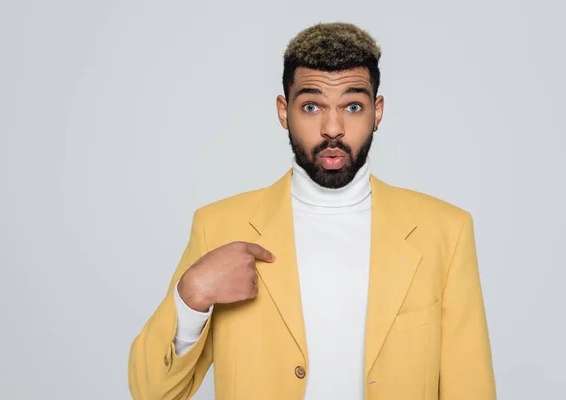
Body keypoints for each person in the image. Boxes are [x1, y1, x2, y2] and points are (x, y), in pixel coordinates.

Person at [128, 22, 496, 400]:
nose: (332, 128)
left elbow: (471, 388)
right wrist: (192, 296)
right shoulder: (219, 226)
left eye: (353, 106)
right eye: (311, 106)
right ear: (284, 111)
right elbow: (151, 393)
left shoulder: (446, 232)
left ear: (377, 111)